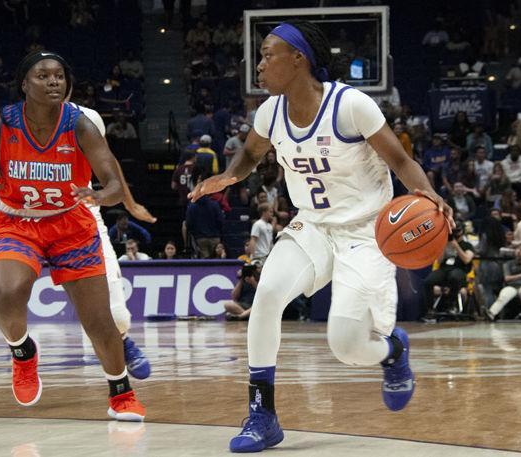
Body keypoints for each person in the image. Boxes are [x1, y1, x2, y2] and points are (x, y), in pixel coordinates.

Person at [189, 21, 452, 453]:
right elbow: (251, 155)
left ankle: (392, 351)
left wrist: (430, 194)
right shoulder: (269, 113)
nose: (259, 63)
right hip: (312, 224)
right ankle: (262, 414)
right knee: (269, 293)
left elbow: (401, 161)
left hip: (368, 232)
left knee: (346, 346)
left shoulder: (351, 105)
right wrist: (227, 176)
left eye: (268, 53)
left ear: (299, 59)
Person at [0, 51, 145, 421]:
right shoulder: (0, 123)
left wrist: (103, 195)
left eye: (59, 76)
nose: (54, 81)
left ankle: (121, 393)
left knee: (100, 320)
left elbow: (114, 182)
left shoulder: (81, 125)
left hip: (71, 224)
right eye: (43, 76)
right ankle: (22, 353)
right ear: (25, 84)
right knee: (4, 296)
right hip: (18, 223)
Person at [486, 247, 521, 320]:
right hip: (512, 286)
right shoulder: (508, 263)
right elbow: (507, 278)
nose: (520, 252)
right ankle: (492, 313)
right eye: (518, 249)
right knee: (504, 295)